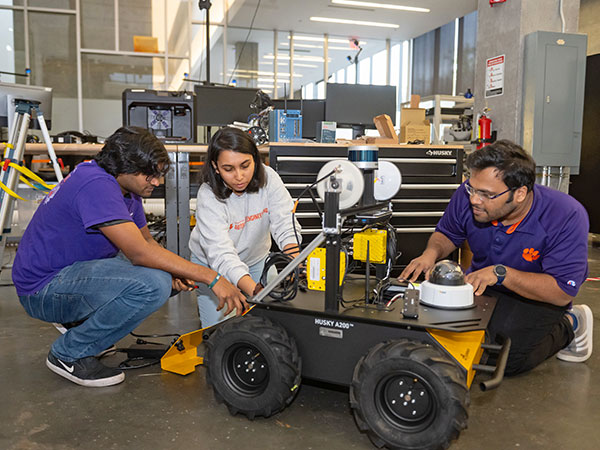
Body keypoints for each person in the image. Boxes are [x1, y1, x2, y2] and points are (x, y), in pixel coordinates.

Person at [12, 126, 247, 388]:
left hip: (69, 272)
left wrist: (178, 273)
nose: (156, 183)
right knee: (154, 284)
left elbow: (146, 242)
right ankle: (69, 353)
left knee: (164, 276)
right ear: (125, 167)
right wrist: (212, 277)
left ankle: (81, 325)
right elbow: (138, 253)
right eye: (150, 175)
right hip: (43, 289)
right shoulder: (96, 185)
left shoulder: (122, 187)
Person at [400, 140, 593, 375]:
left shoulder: (566, 215)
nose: (473, 199)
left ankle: (571, 324)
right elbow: (448, 233)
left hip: (539, 296)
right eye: (472, 188)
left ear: (520, 193)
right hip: (484, 283)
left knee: (503, 360)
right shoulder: (469, 194)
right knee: (444, 340)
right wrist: (430, 254)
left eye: (486, 194)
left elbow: (562, 291)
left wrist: (502, 274)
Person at [189, 127, 301, 327]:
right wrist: (256, 292)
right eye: (228, 169)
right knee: (222, 333)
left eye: (245, 165)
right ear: (215, 166)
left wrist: (293, 260)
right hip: (213, 268)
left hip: (257, 261)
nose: (239, 176)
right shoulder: (208, 196)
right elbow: (221, 253)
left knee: (274, 321)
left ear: (255, 160)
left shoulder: (270, 178)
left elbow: (285, 222)